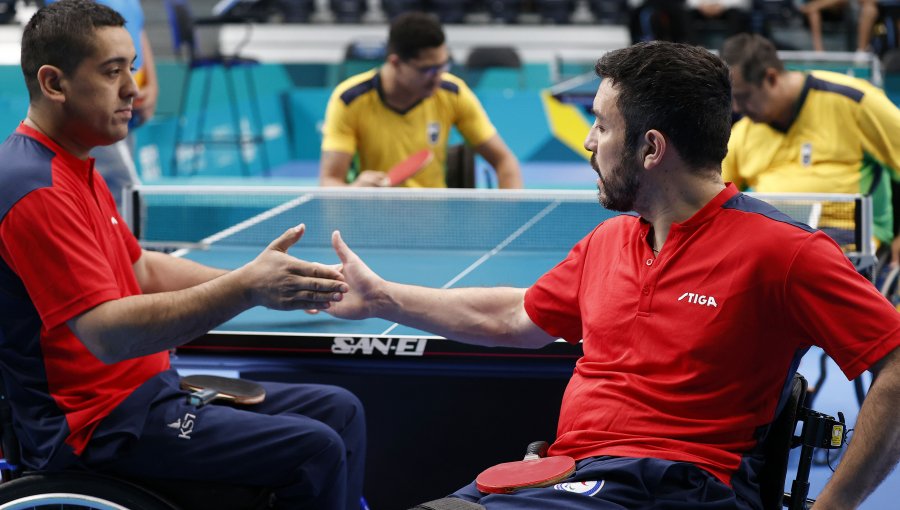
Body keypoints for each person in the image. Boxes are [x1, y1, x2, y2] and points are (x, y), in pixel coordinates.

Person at [323, 41, 900, 509]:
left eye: (600, 124)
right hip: (572, 477)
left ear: (651, 149)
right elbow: (514, 315)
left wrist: (834, 507)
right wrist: (381, 297)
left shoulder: (784, 252)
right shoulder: (609, 240)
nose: (587, 141)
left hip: (673, 485)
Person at [0, 2, 365, 509]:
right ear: (54, 83)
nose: (134, 87)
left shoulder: (77, 165)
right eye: (112, 72)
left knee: (338, 409)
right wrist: (245, 288)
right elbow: (106, 334)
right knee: (313, 449)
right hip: (95, 426)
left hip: (146, 393)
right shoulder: (33, 189)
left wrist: (262, 282)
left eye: (132, 66)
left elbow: (142, 268)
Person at [721, 33, 900, 265]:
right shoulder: (743, 131)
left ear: (771, 78)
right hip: (772, 234)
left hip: (846, 233)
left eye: (743, 97)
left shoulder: (853, 101)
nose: (737, 108)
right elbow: (714, 194)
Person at [318, 11, 523, 188]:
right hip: (374, 214)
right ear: (396, 63)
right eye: (428, 69)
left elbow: (505, 161)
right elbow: (329, 181)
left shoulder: (453, 93)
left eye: (444, 65)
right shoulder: (350, 100)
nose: (438, 76)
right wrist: (356, 189)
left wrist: (509, 216)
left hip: (435, 215)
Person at [47, 0, 158, 210]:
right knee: (125, 194)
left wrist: (152, 84)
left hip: (127, 107)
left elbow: (138, 27)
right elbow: (71, 41)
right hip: (95, 108)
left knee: (110, 201)